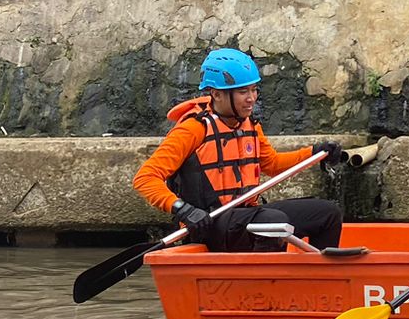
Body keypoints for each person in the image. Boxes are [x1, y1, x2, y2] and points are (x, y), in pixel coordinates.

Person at [133, 47, 347, 252]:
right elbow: (145, 178)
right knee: (272, 222)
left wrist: (314, 152)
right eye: (243, 91)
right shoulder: (193, 129)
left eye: (254, 90)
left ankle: (322, 277)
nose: (251, 98)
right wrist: (184, 210)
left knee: (327, 212)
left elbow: (271, 164)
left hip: (246, 217)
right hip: (208, 224)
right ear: (217, 94)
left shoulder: (249, 124)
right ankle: (264, 281)